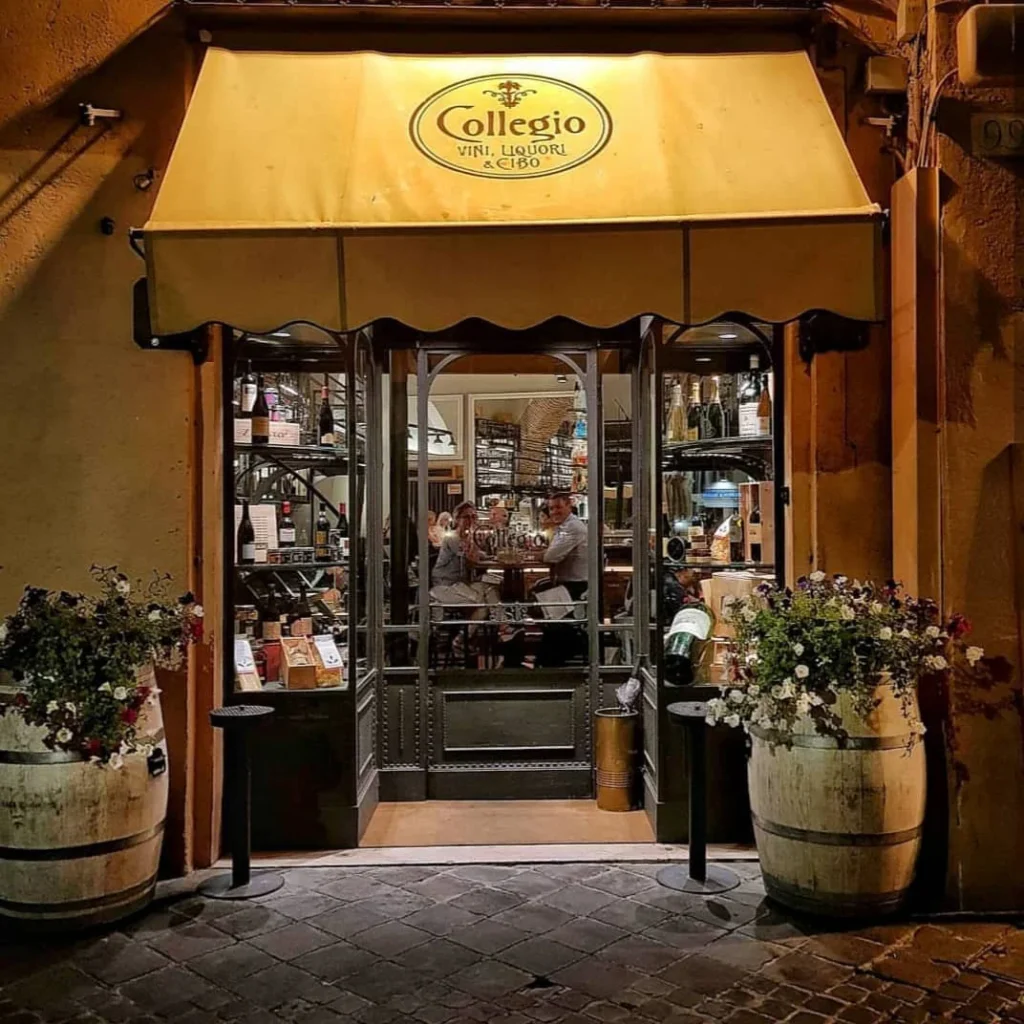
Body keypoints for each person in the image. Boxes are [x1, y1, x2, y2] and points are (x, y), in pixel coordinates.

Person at [534, 492, 588, 666]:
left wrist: (539, 555)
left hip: (577, 586)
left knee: (534, 601)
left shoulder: (573, 528)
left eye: (558, 507)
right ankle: (552, 654)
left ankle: (566, 647)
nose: (554, 512)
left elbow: (551, 556)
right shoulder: (565, 527)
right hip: (567, 584)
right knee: (537, 594)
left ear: (569, 506)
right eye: (551, 508)